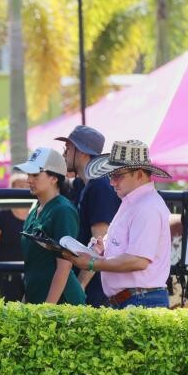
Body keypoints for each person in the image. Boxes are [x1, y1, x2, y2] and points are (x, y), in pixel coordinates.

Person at [68, 140, 172, 308]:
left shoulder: (146, 207)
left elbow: (138, 261)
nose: (112, 182)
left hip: (140, 300)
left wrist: (92, 263)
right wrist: (103, 250)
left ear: (138, 175)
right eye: (111, 175)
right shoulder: (136, 203)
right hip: (138, 299)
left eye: (117, 176)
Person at [58, 125, 120, 307]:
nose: (64, 154)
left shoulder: (99, 186)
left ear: (83, 153)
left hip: (96, 290)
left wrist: (80, 286)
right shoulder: (82, 185)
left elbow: (100, 242)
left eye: (68, 148)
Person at [17, 148, 86, 306]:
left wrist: (47, 310)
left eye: (35, 174)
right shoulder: (35, 210)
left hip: (60, 306)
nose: (29, 180)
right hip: (38, 302)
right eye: (28, 174)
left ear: (54, 178)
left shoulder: (63, 210)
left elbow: (65, 264)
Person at [0, 173, 30, 301]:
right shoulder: (1, 215)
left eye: (27, 186)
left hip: (31, 272)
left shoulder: (36, 214)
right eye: (20, 186)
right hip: (5, 273)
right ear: (12, 189)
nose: (25, 189)